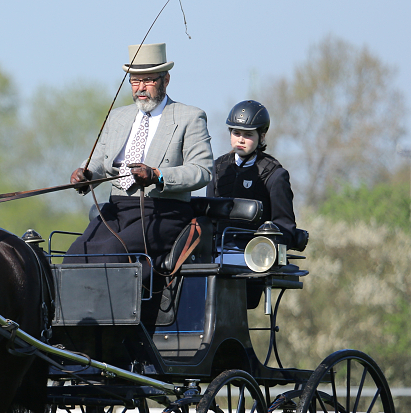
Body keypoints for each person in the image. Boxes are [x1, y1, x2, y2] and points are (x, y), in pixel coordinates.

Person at [65, 43, 213, 271]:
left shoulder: (190, 117)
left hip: (163, 211)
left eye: (149, 80)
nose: (141, 88)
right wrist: (85, 172)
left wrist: (157, 175)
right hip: (116, 209)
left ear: (166, 80)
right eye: (135, 80)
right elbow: (99, 160)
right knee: (76, 252)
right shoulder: (118, 117)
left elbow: (202, 171)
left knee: (114, 252)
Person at [205, 100, 297, 247]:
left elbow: (285, 228)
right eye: (236, 133)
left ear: (261, 137)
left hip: (256, 256)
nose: (240, 140)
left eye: (248, 135)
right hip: (218, 253)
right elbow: (208, 219)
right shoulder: (216, 168)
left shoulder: (276, 175)